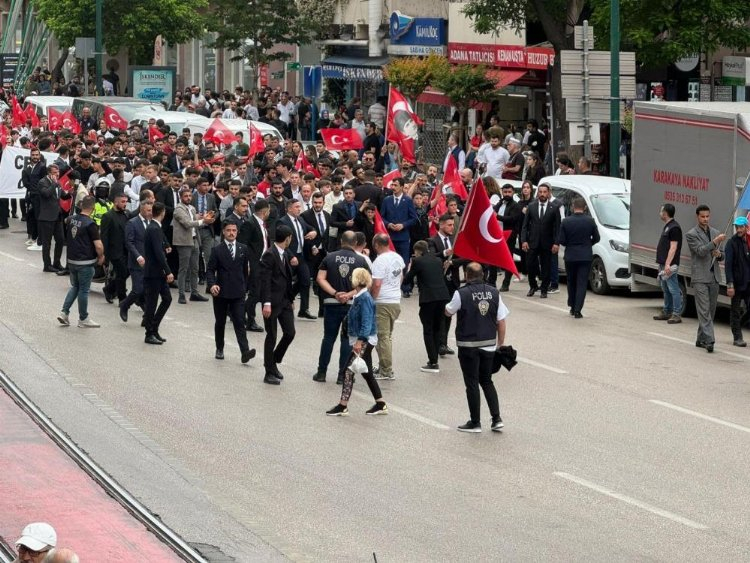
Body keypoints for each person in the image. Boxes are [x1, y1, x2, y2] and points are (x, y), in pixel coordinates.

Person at [445, 262, 508, 433]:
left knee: (472, 383)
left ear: (466, 275)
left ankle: (475, 422)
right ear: (483, 275)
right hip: (489, 345)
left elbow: (448, 311)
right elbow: (501, 321)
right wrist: (500, 344)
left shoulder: (461, 293)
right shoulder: (494, 293)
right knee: (487, 381)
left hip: (468, 346)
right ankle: (496, 419)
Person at [326, 267, 388, 416]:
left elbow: (366, 322)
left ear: (355, 280)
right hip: (363, 338)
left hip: (364, 339)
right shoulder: (360, 296)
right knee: (367, 372)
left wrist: (360, 341)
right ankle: (380, 404)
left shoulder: (364, 298)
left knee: (348, 371)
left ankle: (342, 406)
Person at [312, 231, 371, 383]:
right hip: (351, 305)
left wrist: (335, 293)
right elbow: (365, 284)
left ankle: (321, 373)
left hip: (331, 303)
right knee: (346, 340)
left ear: (341, 241)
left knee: (328, 338)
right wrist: (349, 294)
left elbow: (320, 278)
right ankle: (342, 375)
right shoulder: (361, 260)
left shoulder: (329, 257)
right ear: (355, 242)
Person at [207, 221, 257, 363]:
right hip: (221, 292)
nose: (231, 233)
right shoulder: (217, 250)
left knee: (240, 321)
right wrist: (212, 285)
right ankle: (219, 348)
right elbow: (210, 270)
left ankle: (245, 352)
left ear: (237, 232)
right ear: (223, 232)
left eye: (234, 230)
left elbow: (245, 270)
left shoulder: (243, 248)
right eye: (228, 230)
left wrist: (244, 287)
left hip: (238, 292)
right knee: (220, 322)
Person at [56, 196, 104, 328]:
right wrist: (101, 256)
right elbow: (98, 245)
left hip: (72, 261)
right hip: (85, 262)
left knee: (75, 287)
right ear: (93, 208)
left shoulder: (71, 219)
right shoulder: (90, 224)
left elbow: (65, 220)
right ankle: (83, 318)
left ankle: (64, 313)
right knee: (83, 290)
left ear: (82, 206)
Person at [404, 240, 451, 372]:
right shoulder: (438, 260)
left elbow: (407, 280)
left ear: (417, 251)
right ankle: (435, 357)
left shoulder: (417, 261)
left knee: (428, 329)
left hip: (429, 298)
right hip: (442, 296)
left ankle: (433, 362)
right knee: (437, 327)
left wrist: (410, 268)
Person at [685, 204, 725, 352]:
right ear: (697, 217)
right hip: (700, 277)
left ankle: (700, 338)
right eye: (702, 216)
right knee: (704, 311)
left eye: (707, 216)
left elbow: (723, 255)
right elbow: (700, 251)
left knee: (710, 312)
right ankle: (710, 340)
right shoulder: (691, 234)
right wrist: (714, 242)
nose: (705, 219)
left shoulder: (715, 232)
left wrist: (719, 254)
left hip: (714, 277)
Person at [260, 225, 296, 384]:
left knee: (290, 333)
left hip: (285, 301)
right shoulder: (270, 254)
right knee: (272, 336)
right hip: (272, 302)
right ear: (287, 238)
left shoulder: (285, 253)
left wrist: (291, 299)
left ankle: (273, 360)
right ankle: (268, 372)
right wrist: (266, 303)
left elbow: (287, 278)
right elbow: (265, 281)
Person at [558, 197, 600, 318]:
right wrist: (588, 244)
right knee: (581, 283)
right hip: (585, 256)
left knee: (571, 281)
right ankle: (578, 310)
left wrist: (571, 244)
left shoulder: (566, 221)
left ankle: (572, 305)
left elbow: (562, 240)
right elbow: (597, 238)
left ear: (572, 207)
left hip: (570, 255)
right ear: (585, 207)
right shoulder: (590, 221)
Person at [370, 233, 404, 381]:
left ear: (377, 244)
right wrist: (395, 289)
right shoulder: (397, 257)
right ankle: (383, 366)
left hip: (382, 301)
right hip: (395, 300)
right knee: (387, 336)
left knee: (382, 337)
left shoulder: (380, 260)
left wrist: (372, 299)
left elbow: (377, 284)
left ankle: (386, 370)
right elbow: (401, 276)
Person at [173, 186, 215, 304]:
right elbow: (187, 223)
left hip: (194, 240)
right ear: (180, 197)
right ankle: (181, 294)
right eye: (185, 196)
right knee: (184, 269)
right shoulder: (178, 209)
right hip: (184, 242)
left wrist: (205, 218)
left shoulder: (191, 208)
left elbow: (195, 223)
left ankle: (194, 293)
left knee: (195, 268)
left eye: (189, 196)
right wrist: (203, 221)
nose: (188, 198)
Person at [278, 199, 317, 320]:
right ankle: (284, 301)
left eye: (300, 207)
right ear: (289, 208)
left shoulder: (300, 219)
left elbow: (310, 229)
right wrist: (291, 256)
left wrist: (314, 232)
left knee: (305, 281)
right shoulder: (283, 221)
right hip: (289, 256)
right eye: (296, 207)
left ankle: (303, 309)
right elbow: (282, 242)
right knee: (286, 282)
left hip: (301, 255)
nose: (299, 209)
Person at [520, 184, 560, 298]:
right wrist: (524, 240)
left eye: (544, 192)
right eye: (540, 192)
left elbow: (557, 228)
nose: (542, 194)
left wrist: (556, 243)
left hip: (547, 243)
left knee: (546, 266)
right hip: (532, 242)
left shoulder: (554, 208)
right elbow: (525, 225)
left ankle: (544, 289)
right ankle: (533, 286)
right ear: (537, 193)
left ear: (549, 193)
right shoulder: (531, 206)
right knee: (530, 265)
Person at [143, 202, 174, 345]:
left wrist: (166, 245)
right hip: (153, 272)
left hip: (158, 272)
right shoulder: (154, 228)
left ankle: (154, 328)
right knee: (152, 303)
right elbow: (158, 253)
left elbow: (160, 245)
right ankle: (149, 333)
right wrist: (168, 271)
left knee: (167, 299)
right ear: (163, 212)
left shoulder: (156, 227)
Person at [120, 193, 153, 322]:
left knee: (148, 290)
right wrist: (138, 256)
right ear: (141, 209)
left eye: (151, 210)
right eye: (148, 210)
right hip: (136, 262)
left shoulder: (152, 223)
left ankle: (147, 318)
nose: (150, 213)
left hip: (149, 262)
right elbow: (129, 242)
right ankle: (125, 305)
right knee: (138, 289)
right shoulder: (132, 223)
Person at [653, 203, 683, 324]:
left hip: (669, 264)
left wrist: (667, 264)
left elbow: (673, 247)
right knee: (665, 288)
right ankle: (667, 311)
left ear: (665, 213)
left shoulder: (674, 228)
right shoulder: (668, 226)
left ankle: (676, 314)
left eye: (661, 211)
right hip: (663, 263)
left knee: (673, 289)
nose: (660, 213)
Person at [37, 164, 70, 273]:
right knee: (47, 243)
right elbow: (46, 194)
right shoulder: (42, 182)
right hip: (47, 217)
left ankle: (57, 262)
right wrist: (54, 184)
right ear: (49, 173)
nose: (57, 174)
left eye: (58, 172)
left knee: (60, 240)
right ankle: (47, 265)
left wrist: (71, 192)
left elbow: (63, 196)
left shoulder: (58, 183)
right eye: (55, 172)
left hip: (57, 216)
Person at [724, 216, 750, 347]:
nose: (739, 230)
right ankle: (737, 337)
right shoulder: (731, 243)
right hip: (737, 283)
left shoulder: (748, 241)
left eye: (741, 227)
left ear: (747, 227)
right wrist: (730, 284)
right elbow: (728, 266)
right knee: (735, 310)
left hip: (748, 283)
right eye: (737, 227)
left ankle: (737, 324)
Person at [100, 193, 130, 304]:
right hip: (114, 251)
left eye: (126, 201)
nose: (125, 204)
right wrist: (104, 255)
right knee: (122, 273)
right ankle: (122, 299)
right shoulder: (108, 216)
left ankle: (109, 289)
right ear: (115, 202)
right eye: (122, 202)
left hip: (125, 250)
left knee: (126, 272)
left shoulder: (125, 214)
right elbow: (104, 237)